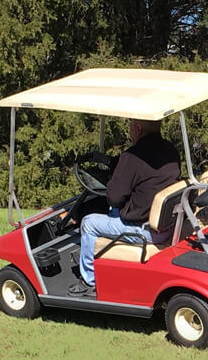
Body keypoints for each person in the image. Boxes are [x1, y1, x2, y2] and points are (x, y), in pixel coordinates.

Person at [69, 118, 181, 297]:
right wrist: (107, 161)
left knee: (88, 222)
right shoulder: (169, 150)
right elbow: (141, 171)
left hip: (143, 230)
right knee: (110, 212)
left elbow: (114, 198)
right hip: (167, 223)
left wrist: (114, 180)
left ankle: (89, 280)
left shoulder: (133, 156)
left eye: (130, 126)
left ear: (137, 128)